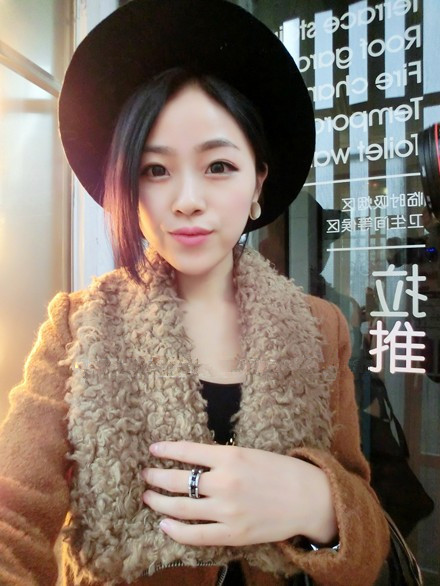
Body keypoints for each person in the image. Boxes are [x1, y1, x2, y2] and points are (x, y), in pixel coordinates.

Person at [0, 1, 390, 585]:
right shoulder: (79, 330)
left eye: (219, 166)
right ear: (127, 187)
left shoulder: (318, 326)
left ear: (257, 182)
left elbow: (366, 535)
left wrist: (318, 501)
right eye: (155, 170)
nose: (187, 200)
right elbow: (13, 518)